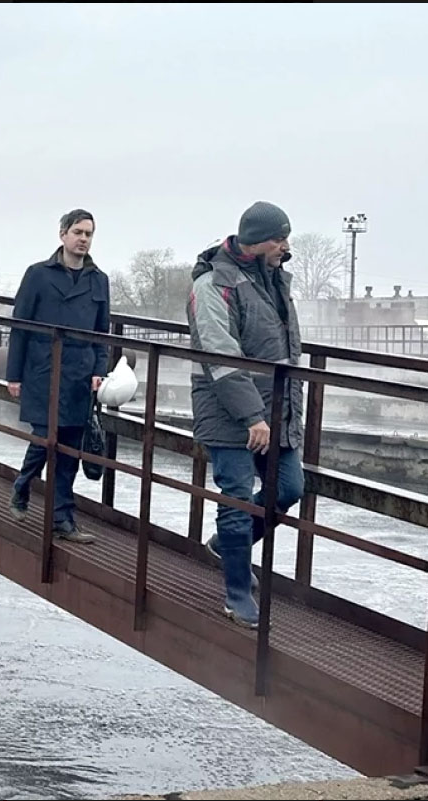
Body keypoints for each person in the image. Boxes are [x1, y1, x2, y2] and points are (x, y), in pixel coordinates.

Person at [188, 201, 304, 630]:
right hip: (228, 413)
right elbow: (219, 356)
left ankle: (227, 545)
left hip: (276, 412)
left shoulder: (276, 278)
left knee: (289, 489)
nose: (285, 247)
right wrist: (253, 416)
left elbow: (285, 350)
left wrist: (282, 414)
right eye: (280, 238)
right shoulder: (213, 283)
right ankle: (237, 595)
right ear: (257, 240)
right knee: (235, 499)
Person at [5, 209, 110, 545]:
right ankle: (22, 486)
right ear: (63, 234)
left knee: (69, 450)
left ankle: (62, 519)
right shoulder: (38, 275)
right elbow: (19, 325)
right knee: (44, 439)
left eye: (89, 233)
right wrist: (14, 375)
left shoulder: (99, 280)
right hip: (43, 368)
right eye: (78, 232)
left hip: (80, 373)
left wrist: (99, 370)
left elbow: (102, 331)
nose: (83, 239)